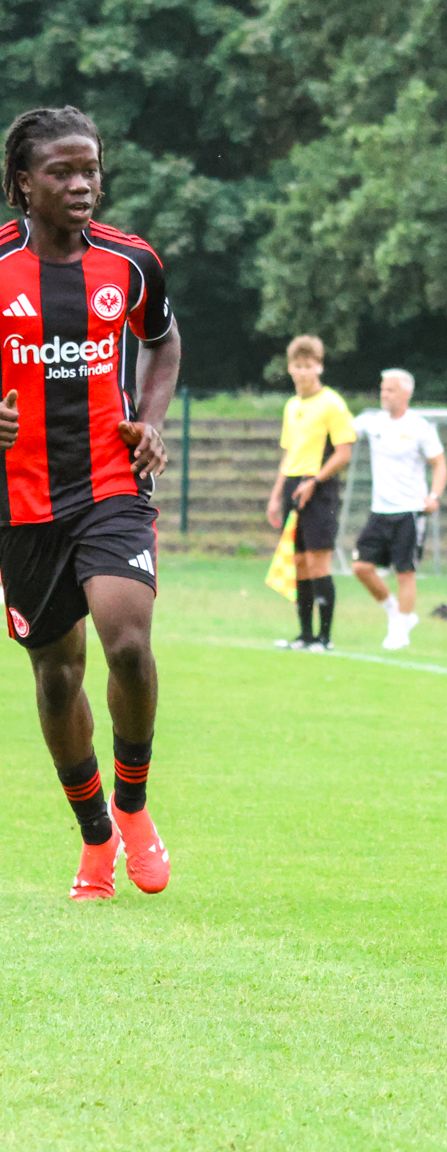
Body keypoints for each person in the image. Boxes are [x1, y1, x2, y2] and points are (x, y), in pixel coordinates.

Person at [0, 104, 181, 899]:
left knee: (128, 642)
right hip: (22, 498)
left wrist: (150, 418)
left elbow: (164, 340)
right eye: (63, 173)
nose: (82, 185)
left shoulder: (131, 261)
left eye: (91, 170)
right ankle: (95, 837)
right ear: (22, 184)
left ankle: (134, 805)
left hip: (112, 481)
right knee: (55, 675)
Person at [267, 334, 355, 651]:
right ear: (289, 368)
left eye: (309, 366)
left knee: (319, 563)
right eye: (297, 366)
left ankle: (325, 637)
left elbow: (343, 452)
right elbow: (289, 452)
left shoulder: (332, 403)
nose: (302, 372)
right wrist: (277, 494)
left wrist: (314, 480)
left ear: (319, 367)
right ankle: (304, 635)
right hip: (293, 484)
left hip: (319, 488)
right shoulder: (292, 406)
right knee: (300, 563)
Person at [349, 368, 446, 649]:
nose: (384, 394)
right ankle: (395, 611)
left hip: (409, 511)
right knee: (361, 567)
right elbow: (341, 430)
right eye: (382, 389)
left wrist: (434, 495)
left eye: (390, 390)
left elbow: (439, 464)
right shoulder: (373, 422)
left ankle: (400, 631)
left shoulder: (419, 427)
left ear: (405, 393)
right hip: (380, 510)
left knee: (405, 572)